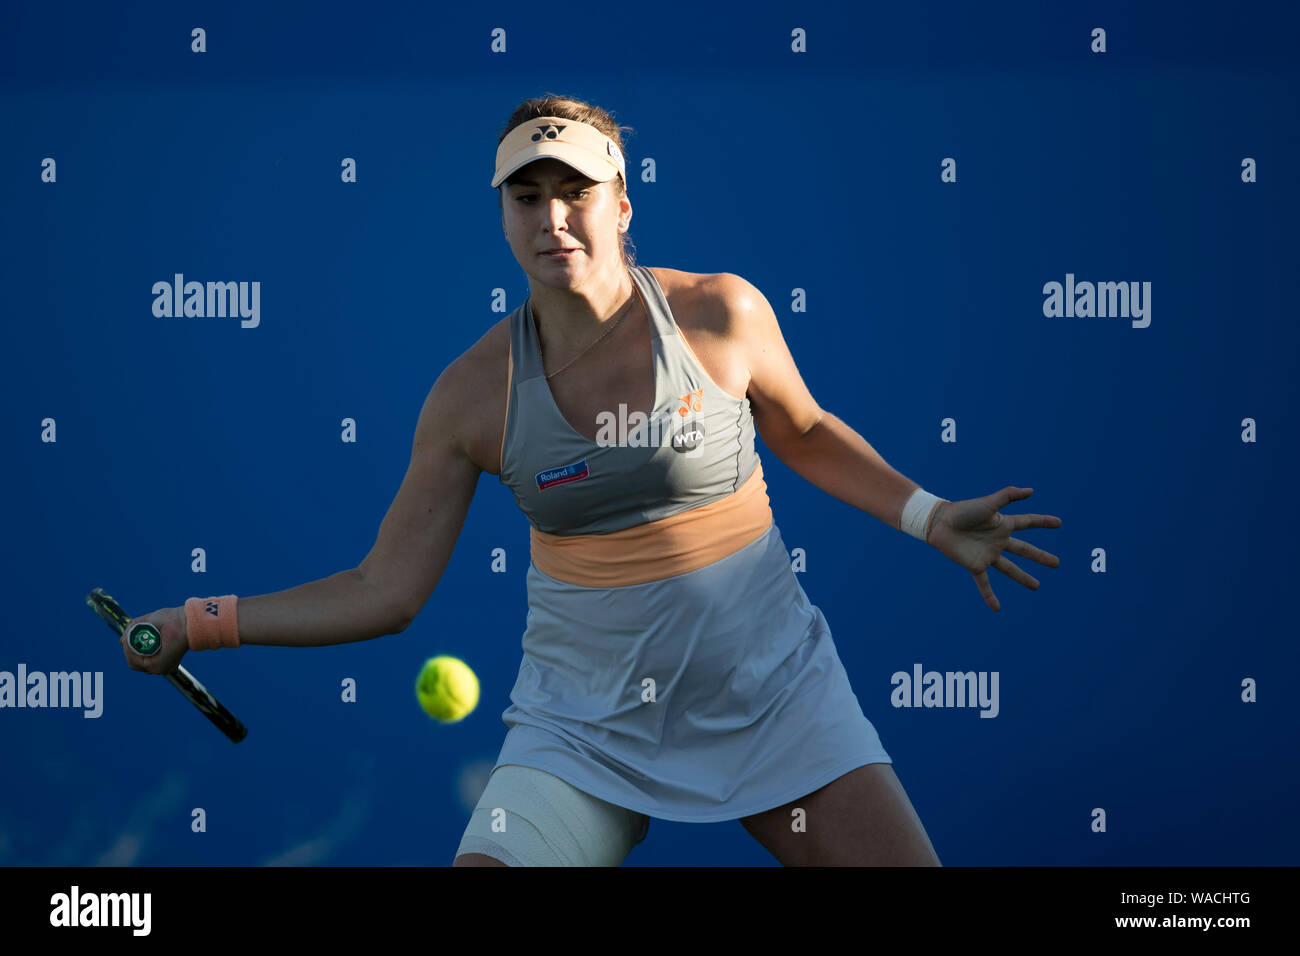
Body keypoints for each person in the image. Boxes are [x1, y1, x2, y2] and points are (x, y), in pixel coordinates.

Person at [120, 94, 1063, 867]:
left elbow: (805, 431)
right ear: (502, 215)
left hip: (778, 701)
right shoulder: (468, 397)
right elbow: (384, 591)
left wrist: (928, 515)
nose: (552, 218)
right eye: (526, 196)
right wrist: (201, 623)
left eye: (574, 190)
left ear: (622, 202)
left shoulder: (721, 315)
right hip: (582, 730)